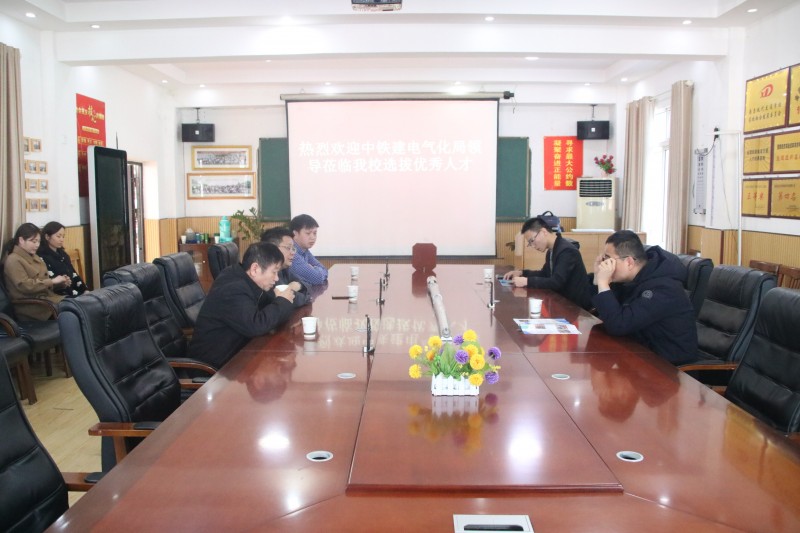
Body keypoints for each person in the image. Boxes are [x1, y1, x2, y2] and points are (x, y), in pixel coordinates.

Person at [591, 230, 698, 365]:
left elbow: (618, 324)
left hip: (668, 367)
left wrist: (603, 283)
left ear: (629, 262)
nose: (605, 265)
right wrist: (597, 278)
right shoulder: (632, 279)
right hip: (639, 353)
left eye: (608, 260)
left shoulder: (664, 288)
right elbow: (600, 312)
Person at [188, 242, 295, 369]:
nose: (277, 278)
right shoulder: (233, 289)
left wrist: (281, 300)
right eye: (274, 272)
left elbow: (268, 303)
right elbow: (256, 325)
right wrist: (283, 301)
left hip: (236, 356)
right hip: (213, 368)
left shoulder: (244, 278)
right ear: (255, 269)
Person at [502, 216, 593, 310]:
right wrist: (522, 273)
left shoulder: (567, 251)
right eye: (530, 243)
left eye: (532, 241)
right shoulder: (552, 250)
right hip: (561, 303)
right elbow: (545, 274)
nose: (533, 246)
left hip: (575, 308)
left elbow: (556, 282)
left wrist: (526, 281)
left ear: (543, 232)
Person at [2, 223, 69, 320]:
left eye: (38, 241)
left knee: (78, 305)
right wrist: (52, 281)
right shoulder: (13, 260)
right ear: (21, 240)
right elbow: (25, 286)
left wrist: (60, 284)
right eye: (33, 241)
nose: (37, 245)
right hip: (33, 307)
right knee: (74, 310)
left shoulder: (34, 256)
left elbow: (43, 284)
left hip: (46, 301)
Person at [261, 226, 310, 307]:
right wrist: (291, 290)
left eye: (293, 248)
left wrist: (297, 286)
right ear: (272, 248)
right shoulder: (265, 273)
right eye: (288, 248)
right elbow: (289, 302)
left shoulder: (284, 269)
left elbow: (307, 286)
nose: (293, 253)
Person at [37, 221, 88, 297]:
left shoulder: (63, 254)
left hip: (74, 292)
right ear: (47, 237)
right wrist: (79, 295)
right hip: (60, 295)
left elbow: (74, 275)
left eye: (63, 236)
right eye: (58, 236)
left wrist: (84, 290)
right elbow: (55, 284)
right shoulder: (42, 257)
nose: (62, 239)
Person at [287, 214, 328, 286]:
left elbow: (325, 270)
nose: (313, 237)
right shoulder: (291, 253)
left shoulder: (304, 250)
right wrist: (316, 270)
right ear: (295, 233)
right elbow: (317, 278)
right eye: (308, 233)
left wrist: (315, 269)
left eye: (315, 233)